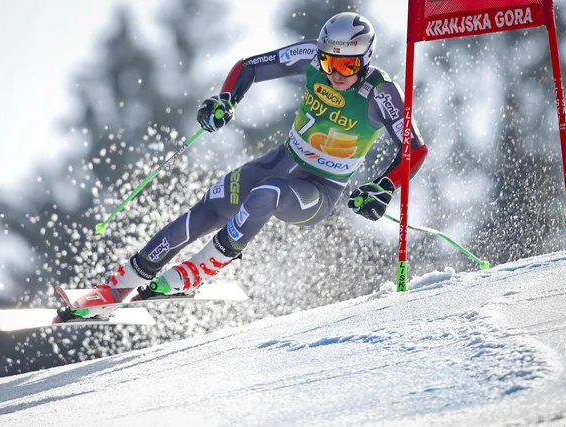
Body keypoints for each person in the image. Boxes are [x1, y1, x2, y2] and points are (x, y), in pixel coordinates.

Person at [58, 11, 428, 319]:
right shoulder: (311, 57)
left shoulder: (381, 93)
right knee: (207, 208)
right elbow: (250, 66)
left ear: (365, 60)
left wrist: (384, 185)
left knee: (266, 194)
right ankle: (119, 285)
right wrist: (226, 99)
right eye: (330, 60)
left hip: (318, 191)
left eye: (347, 64)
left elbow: (416, 148)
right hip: (281, 161)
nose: (335, 72)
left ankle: (200, 269)